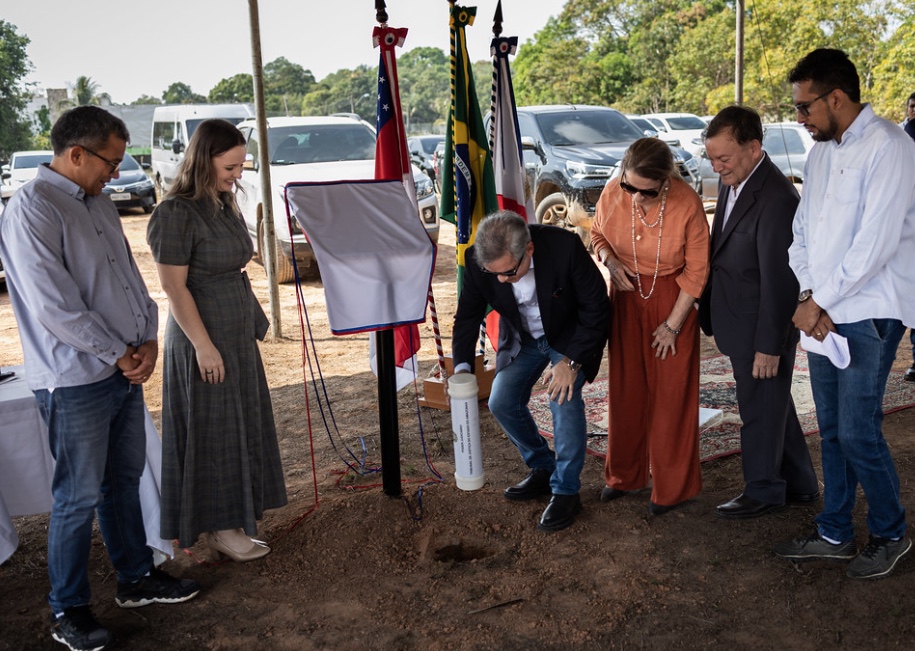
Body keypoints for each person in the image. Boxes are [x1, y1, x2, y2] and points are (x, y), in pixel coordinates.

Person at [0, 106, 200, 651]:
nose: (117, 172)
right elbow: (54, 306)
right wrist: (118, 352)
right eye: (110, 161)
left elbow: (129, 278)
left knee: (124, 478)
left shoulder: (97, 204)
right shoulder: (32, 209)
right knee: (77, 497)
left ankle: (135, 579)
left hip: (122, 367)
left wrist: (150, 336)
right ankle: (68, 609)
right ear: (76, 154)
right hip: (75, 378)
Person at [774, 48, 915, 579]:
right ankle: (834, 530)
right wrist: (811, 296)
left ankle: (890, 531)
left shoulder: (890, 146)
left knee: (858, 430)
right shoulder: (821, 153)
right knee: (830, 428)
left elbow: (874, 243)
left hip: (870, 311)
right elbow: (802, 233)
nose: (800, 118)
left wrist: (817, 302)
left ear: (837, 97)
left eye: (805, 107)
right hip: (824, 309)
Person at [147, 119, 287, 562]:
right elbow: (174, 288)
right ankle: (221, 527)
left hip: (233, 330)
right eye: (230, 166)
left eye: (241, 165)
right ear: (203, 159)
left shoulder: (225, 202)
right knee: (214, 433)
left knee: (239, 424)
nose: (238, 174)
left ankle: (235, 519)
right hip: (201, 335)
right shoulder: (174, 214)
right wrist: (204, 347)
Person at [451, 210, 609, 532]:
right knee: (501, 401)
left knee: (561, 398)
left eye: (508, 272)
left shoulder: (565, 247)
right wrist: (463, 368)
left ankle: (566, 491)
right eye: (492, 273)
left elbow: (597, 308)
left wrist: (570, 363)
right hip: (523, 339)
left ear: (529, 251)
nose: (501, 281)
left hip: (568, 338)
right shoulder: (480, 260)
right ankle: (542, 466)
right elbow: (467, 317)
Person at [698, 106, 819, 519]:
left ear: (753, 148)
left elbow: (781, 281)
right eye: (712, 159)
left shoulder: (777, 197)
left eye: (724, 159)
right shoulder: (734, 176)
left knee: (759, 411)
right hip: (736, 318)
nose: (717, 167)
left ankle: (764, 489)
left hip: (760, 328)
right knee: (772, 405)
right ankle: (800, 482)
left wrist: (770, 345)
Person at [590, 137, 709, 515]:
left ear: (665, 182)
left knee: (672, 395)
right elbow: (597, 235)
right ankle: (624, 476)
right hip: (626, 296)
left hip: (674, 300)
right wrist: (610, 261)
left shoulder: (687, 203)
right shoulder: (614, 191)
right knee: (626, 390)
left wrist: (672, 326)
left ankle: (673, 488)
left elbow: (698, 270)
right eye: (629, 187)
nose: (635, 198)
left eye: (647, 192)